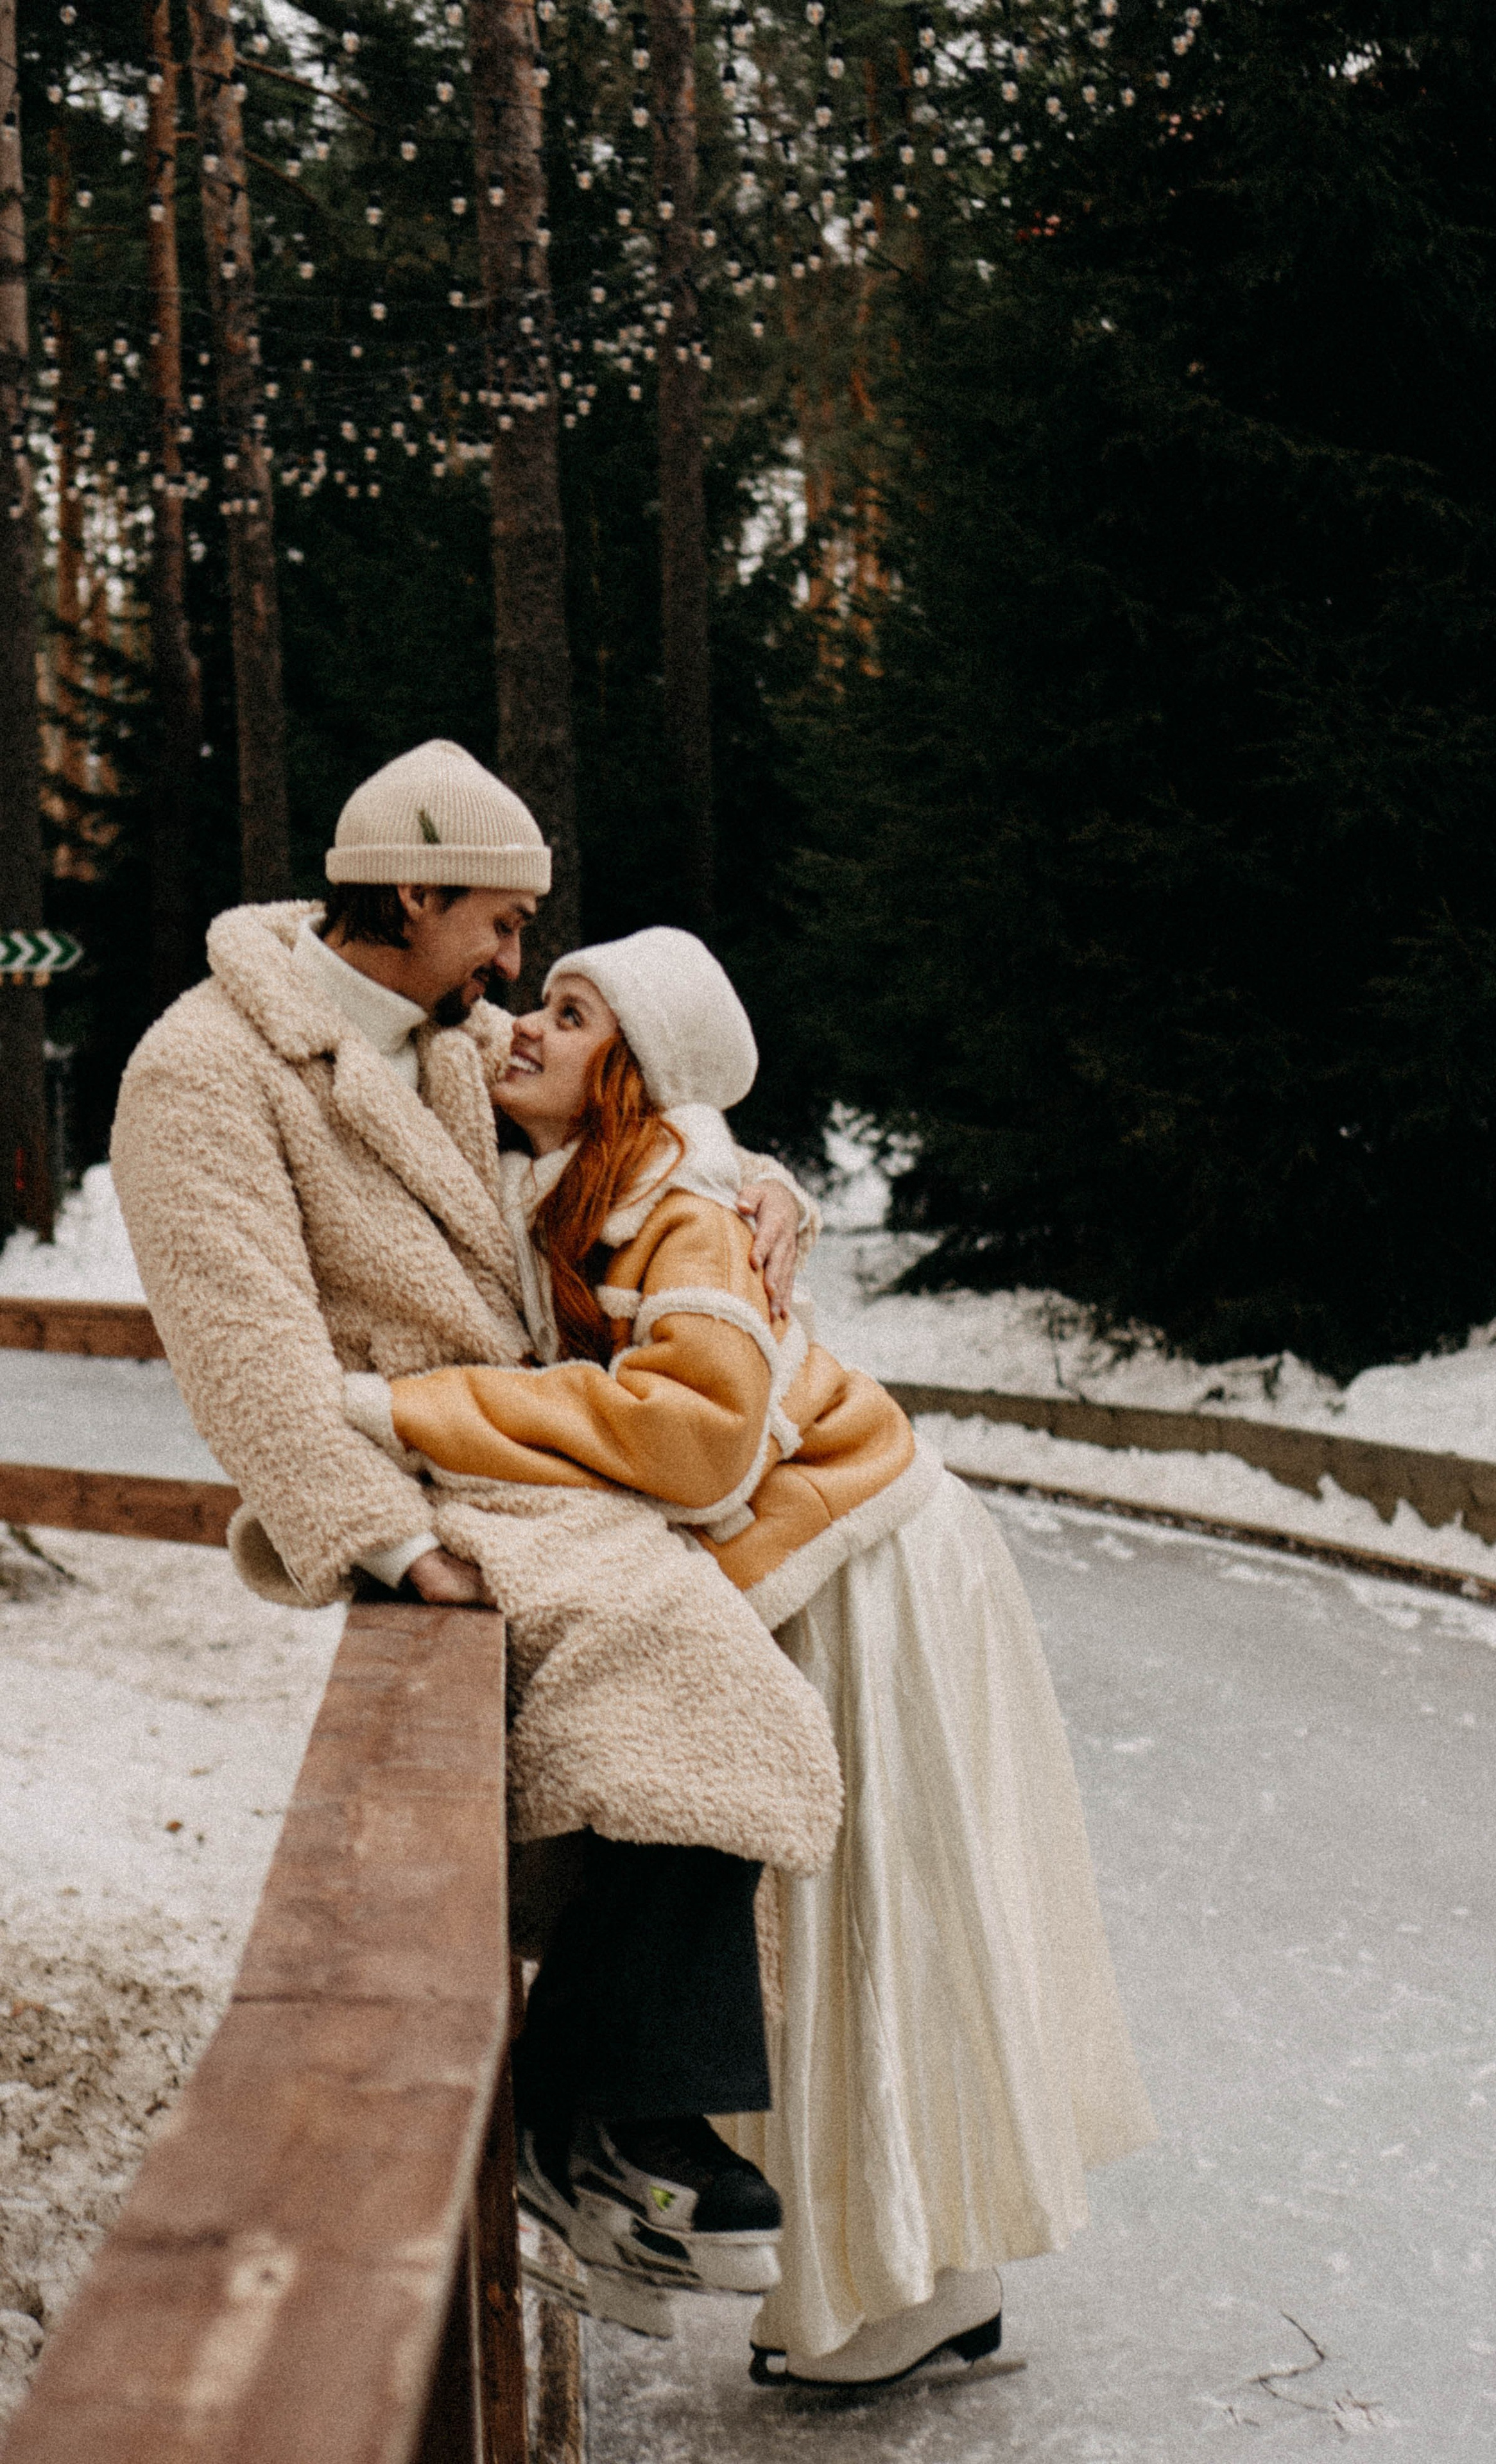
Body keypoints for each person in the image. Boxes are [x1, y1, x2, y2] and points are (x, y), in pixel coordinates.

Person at [345, 925, 1158, 2389]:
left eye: (569, 1013)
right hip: (823, 1546)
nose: (522, 1024)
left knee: (871, 1928)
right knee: (849, 1923)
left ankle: (903, 2289)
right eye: (533, 994)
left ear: (630, 1082)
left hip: (869, 1563)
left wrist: (417, 1410)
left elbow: (696, 1437)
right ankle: (907, 2278)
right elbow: (396, 1016)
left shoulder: (676, 1202)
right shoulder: (594, 1158)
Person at [110, 742, 839, 2321]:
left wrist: (764, 1187)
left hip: (521, 1452)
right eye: (501, 928)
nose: (520, 972)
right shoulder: (206, 1070)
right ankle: (608, 2120)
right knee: (685, 1659)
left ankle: (607, 2121)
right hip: (415, 1474)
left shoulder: (448, 1037)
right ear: (420, 892)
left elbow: (630, 1122)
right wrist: (388, 1548)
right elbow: (246, 1350)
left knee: (714, 1682)